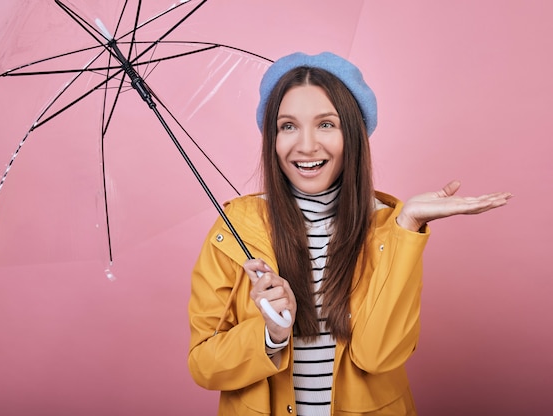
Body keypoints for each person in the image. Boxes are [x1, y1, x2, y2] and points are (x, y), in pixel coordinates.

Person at [187, 52, 511, 416]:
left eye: (326, 124)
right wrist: (270, 335)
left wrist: (407, 226)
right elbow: (204, 364)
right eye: (288, 126)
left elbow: (378, 355)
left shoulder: (389, 228)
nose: (306, 145)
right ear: (272, 139)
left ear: (353, 132)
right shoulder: (234, 231)